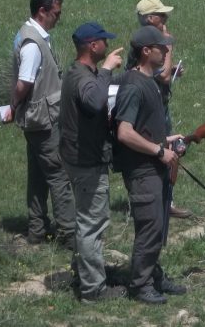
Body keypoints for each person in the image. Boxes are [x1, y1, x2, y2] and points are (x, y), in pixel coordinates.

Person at [113, 25, 188, 305]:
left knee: (157, 226)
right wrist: (159, 151)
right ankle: (140, 285)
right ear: (146, 51)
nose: (167, 50)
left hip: (153, 164)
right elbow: (125, 132)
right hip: (142, 170)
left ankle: (154, 276)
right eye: (162, 47)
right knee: (149, 228)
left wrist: (168, 139)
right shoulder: (133, 86)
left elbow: (142, 129)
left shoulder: (149, 82)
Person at [59, 22, 126, 303]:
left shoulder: (81, 73)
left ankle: (89, 274)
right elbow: (95, 102)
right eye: (104, 43)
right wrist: (109, 69)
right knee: (91, 224)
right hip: (86, 162)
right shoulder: (83, 78)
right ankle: (93, 290)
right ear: (93, 46)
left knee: (89, 222)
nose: (108, 47)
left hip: (80, 158)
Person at [5, 0, 75, 249]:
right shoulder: (33, 44)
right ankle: (68, 233)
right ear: (42, 11)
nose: (59, 17)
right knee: (58, 174)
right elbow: (24, 82)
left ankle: (37, 228)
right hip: (43, 120)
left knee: (37, 175)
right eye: (56, 13)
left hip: (37, 119)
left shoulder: (30, 35)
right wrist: (14, 103)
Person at [129, 0, 191, 219]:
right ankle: (164, 201)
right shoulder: (154, 42)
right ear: (150, 18)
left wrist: (170, 67)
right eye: (162, 15)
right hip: (153, 108)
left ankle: (164, 199)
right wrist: (168, 43)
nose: (166, 19)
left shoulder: (143, 43)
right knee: (163, 150)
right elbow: (163, 77)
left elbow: (161, 72)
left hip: (156, 103)